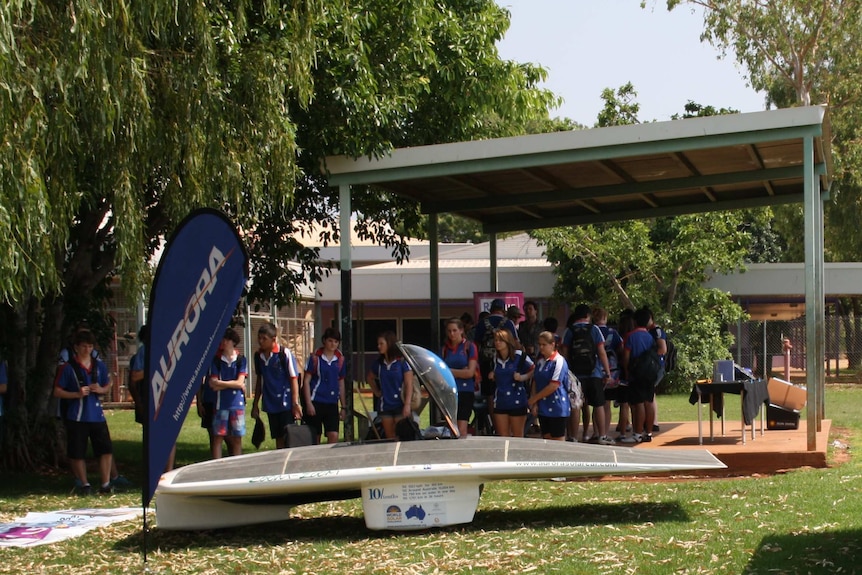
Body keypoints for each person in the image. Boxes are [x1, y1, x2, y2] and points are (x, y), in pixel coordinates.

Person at [53, 329, 114, 495]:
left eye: (90, 346)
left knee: (105, 449)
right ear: (76, 347)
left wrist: (101, 389)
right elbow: (57, 391)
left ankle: (105, 483)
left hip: (97, 415)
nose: (87, 350)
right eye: (84, 346)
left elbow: (108, 384)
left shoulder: (99, 365)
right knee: (77, 452)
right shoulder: (67, 368)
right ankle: (85, 483)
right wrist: (76, 394)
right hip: (77, 415)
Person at [561, 304, 613, 445]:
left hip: (575, 375)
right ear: (588, 316)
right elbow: (601, 352)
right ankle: (601, 435)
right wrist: (607, 372)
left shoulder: (569, 331)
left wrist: (567, 372)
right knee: (598, 404)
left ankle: (573, 437)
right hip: (593, 372)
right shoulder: (594, 329)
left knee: (575, 405)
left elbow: (564, 353)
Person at [128, 324, 176, 471]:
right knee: (152, 436)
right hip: (150, 400)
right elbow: (135, 377)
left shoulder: (169, 351)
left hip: (167, 399)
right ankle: (154, 469)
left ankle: (168, 470)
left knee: (170, 434)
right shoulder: (144, 352)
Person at [251, 322, 302, 449]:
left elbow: (293, 378)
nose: (261, 341)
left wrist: (295, 403)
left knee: (289, 435)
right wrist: (255, 404)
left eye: (264, 339)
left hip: (285, 403)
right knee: (278, 437)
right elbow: (259, 380)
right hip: (270, 403)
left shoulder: (284, 354)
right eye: (259, 338)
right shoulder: (258, 356)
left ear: (273, 340)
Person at [208, 328, 247, 458]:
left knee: (237, 437)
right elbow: (213, 384)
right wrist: (234, 385)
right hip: (221, 404)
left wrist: (221, 383)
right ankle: (216, 464)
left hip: (237, 404)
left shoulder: (241, 360)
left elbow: (240, 381)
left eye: (226, 339)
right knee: (218, 436)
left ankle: (237, 464)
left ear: (233, 342)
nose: (223, 342)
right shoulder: (217, 361)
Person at [621, 308, 659, 443]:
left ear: (635, 321)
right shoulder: (650, 336)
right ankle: (648, 432)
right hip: (650, 372)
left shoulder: (631, 336)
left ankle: (637, 433)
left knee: (638, 404)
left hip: (636, 373)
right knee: (649, 402)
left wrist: (626, 371)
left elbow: (626, 356)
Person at [303, 327, 346, 445]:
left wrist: (343, 407)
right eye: (330, 341)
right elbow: (306, 381)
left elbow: (341, 383)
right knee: (315, 436)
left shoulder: (340, 360)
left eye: (336, 342)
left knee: (333, 435)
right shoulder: (315, 358)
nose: (333, 344)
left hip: (332, 403)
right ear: (324, 341)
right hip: (316, 401)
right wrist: (308, 403)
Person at [366, 331, 413, 439]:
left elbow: (409, 384)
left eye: (381, 343)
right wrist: (377, 392)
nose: (379, 346)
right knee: (389, 436)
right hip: (385, 404)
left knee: (401, 434)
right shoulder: (378, 364)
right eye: (378, 344)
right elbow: (369, 377)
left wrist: (407, 404)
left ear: (389, 343)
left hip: (400, 404)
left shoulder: (402, 362)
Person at [489, 329, 533, 437]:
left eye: (501, 340)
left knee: (518, 435)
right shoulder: (495, 358)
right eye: (496, 340)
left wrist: (523, 377)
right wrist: (493, 375)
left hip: (517, 400)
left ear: (508, 341)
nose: (497, 343)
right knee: (503, 436)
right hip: (500, 400)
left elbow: (534, 369)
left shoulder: (519, 356)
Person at [528, 331, 571, 441]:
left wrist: (534, 399)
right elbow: (535, 381)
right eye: (539, 344)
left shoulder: (559, 361)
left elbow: (554, 385)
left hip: (557, 407)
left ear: (552, 344)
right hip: (543, 406)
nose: (541, 347)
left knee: (557, 439)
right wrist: (535, 403)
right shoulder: (540, 362)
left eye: (544, 345)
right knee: (546, 439)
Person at [441, 317, 478, 438]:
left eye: (455, 330)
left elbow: (470, 373)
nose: (452, 333)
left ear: (461, 330)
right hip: (449, 391)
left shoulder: (469, 347)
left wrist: (449, 371)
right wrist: (460, 372)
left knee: (461, 429)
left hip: (465, 391)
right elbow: (441, 372)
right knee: (450, 428)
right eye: (449, 331)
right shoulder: (445, 349)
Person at [593, 307, 623, 443]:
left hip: (595, 371)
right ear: (605, 317)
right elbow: (621, 348)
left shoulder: (592, 331)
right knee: (607, 404)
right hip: (611, 371)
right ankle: (604, 432)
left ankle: (595, 432)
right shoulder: (613, 333)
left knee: (597, 404)